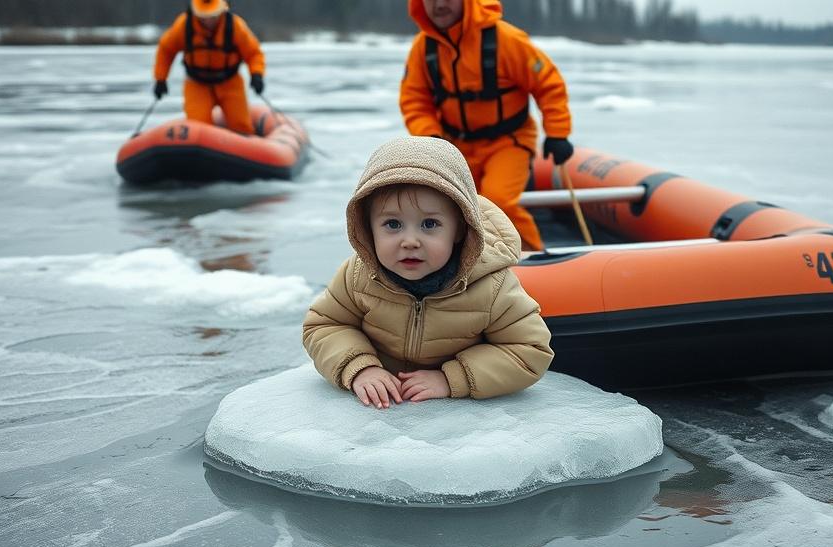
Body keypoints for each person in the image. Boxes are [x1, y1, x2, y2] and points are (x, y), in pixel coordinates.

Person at [302, 136, 554, 409]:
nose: (410, 240)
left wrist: (452, 379)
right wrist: (360, 368)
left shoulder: (493, 286)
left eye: (430, 224)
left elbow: (529, 350)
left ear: (460, 228)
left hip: (456, 419)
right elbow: (324, 325)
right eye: (393, 224)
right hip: (385, 408)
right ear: (367, 227)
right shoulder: (357, 275)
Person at [400, 0, 575, 251]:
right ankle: (462, 261)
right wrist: (430, 135)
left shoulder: (506, 39)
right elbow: (414, 99)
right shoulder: (423, 48)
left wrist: (557, 133)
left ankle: (531, 257)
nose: (439, 5)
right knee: (453, 204)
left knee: (498, 200)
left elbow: (548, 83)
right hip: (455, 145)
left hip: (509, 141)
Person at [151, 0, 265, 135]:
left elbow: (253, 53)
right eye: (203, 16)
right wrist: (160, 79)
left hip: (229, 83)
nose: (208, 21)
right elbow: (166, 50)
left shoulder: (234, 26)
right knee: (197, 126)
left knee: (240, 124)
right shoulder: (184, 25)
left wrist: (256, 74)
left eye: (213, 16)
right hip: (197, 84)